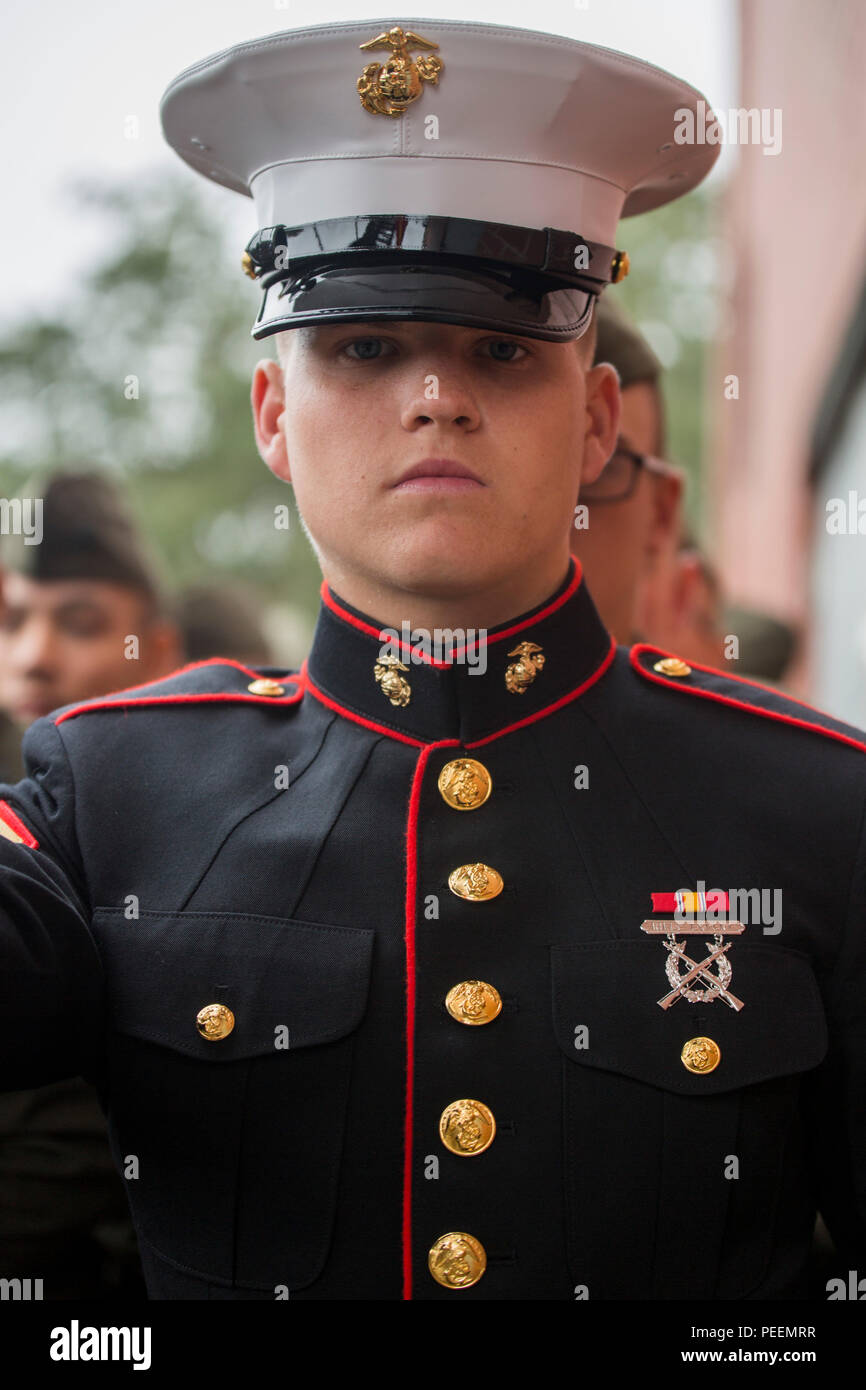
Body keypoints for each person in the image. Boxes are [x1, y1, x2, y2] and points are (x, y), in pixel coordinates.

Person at [0, 18, 864, 1303]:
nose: (434, 398)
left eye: (502, 351)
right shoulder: (112, 789)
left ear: (593, 421)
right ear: (274, 415)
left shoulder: (814, 807)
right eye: (363, 348)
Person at [0, 472, 183, 1299]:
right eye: (13, 622)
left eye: (78, 624)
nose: (35, 655)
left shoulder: (190, 841)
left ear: (160, 650)